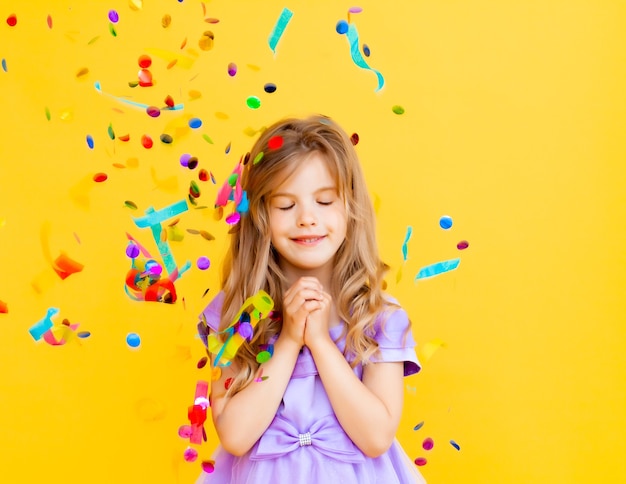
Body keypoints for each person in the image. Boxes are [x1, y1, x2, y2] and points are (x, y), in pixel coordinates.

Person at [196, 114, 425, 483]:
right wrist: (288, 338)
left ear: (351, 209)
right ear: (259, 217)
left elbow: (376, 437)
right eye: (286, 206)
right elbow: (236, 436)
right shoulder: (234, 314)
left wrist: (319, 341)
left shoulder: (379, 317)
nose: (306, 218)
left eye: (324, 201)